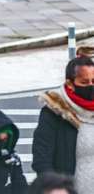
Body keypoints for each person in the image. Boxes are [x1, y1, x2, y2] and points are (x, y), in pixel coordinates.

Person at [32, 56, 94, 194]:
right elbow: (42, 159)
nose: (91, 86)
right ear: (70, 84)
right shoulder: (54, 113)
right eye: (84, 82)